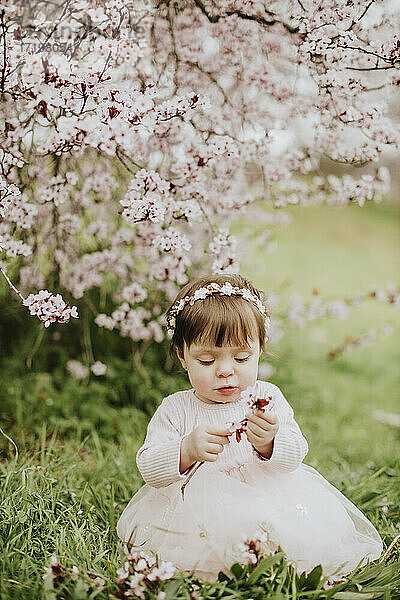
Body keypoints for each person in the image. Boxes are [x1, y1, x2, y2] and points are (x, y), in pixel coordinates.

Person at [116, 273, 383, 581]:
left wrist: (271, 442)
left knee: (286, 538)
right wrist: (185, 450)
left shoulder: (267, 397)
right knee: (200, 554)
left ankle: (268, 560)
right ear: (183, 356)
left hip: (267, 496)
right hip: (199, 510)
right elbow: (149, 467)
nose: (226, 370)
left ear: (260, 349)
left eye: (242, 357)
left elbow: (297, 452)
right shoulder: (176, 409)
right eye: (206, 360)